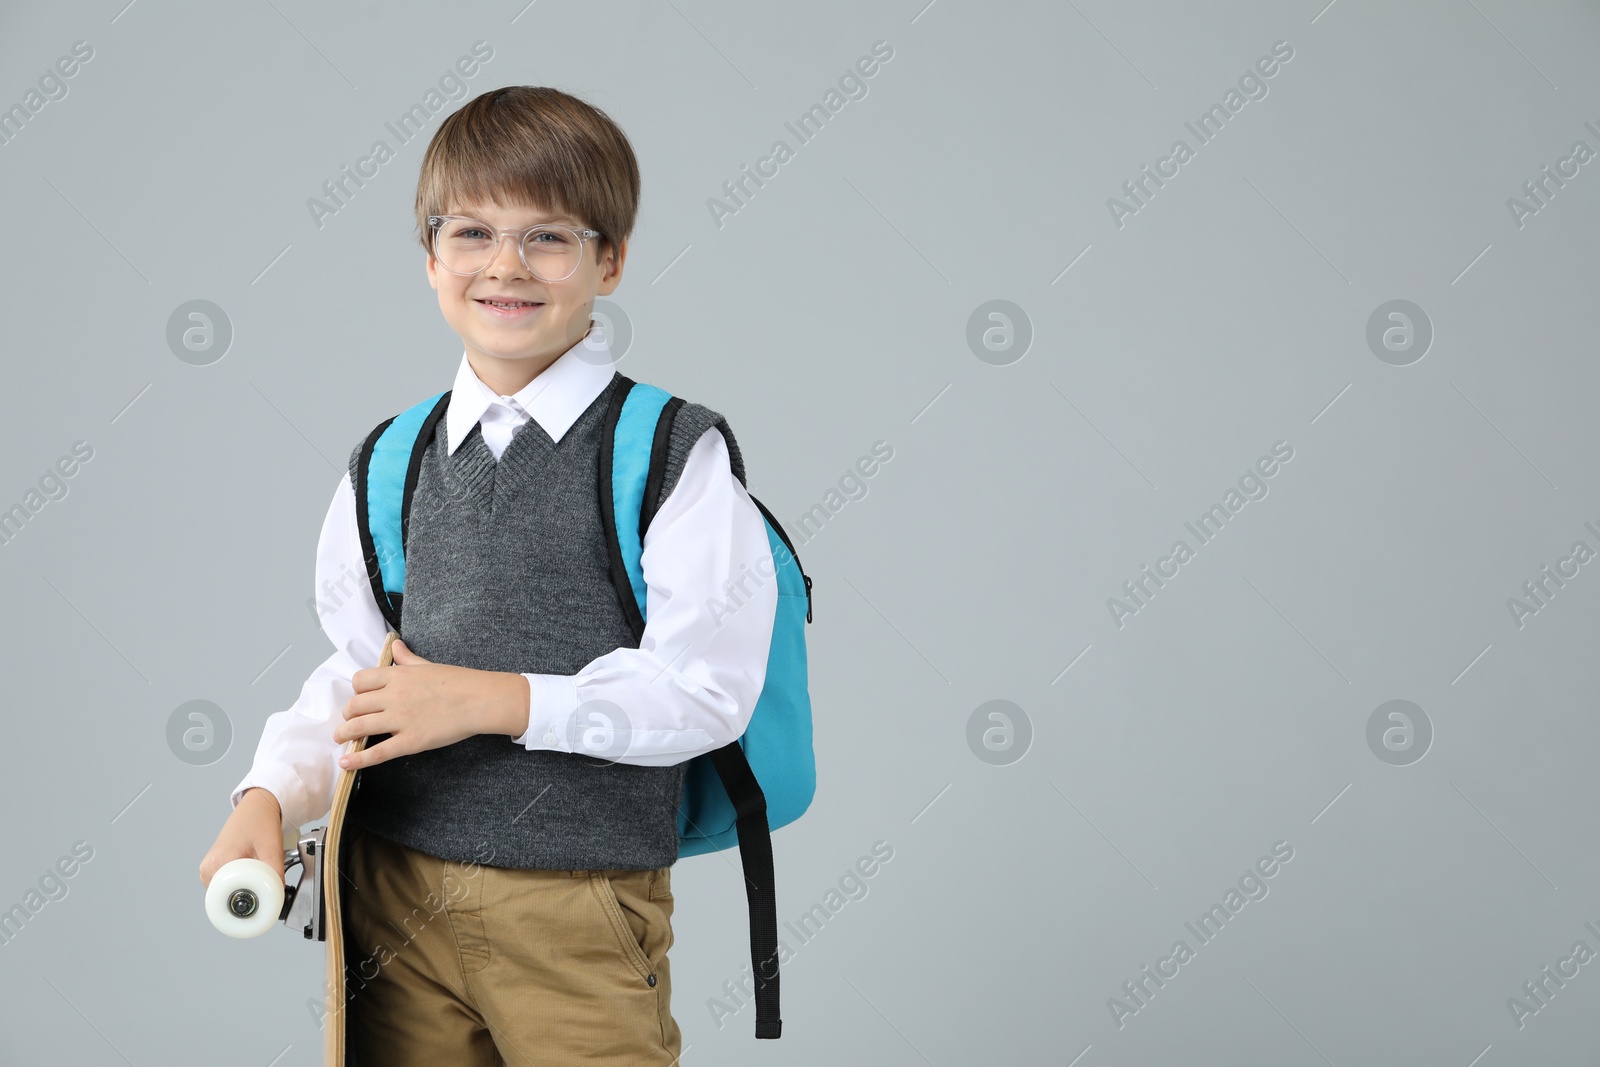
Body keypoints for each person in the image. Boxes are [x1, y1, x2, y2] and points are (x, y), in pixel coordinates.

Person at [198, 84, 779, 1065]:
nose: (505, 265)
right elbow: (356, 674)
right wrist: (266, 794)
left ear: (610, 259)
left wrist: (493, 699)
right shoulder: (389, 459)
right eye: (472, 232)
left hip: (578, 909)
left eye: (548, 236)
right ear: (430, 258)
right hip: (392, 898)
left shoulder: (670, 454)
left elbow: (706, 691)